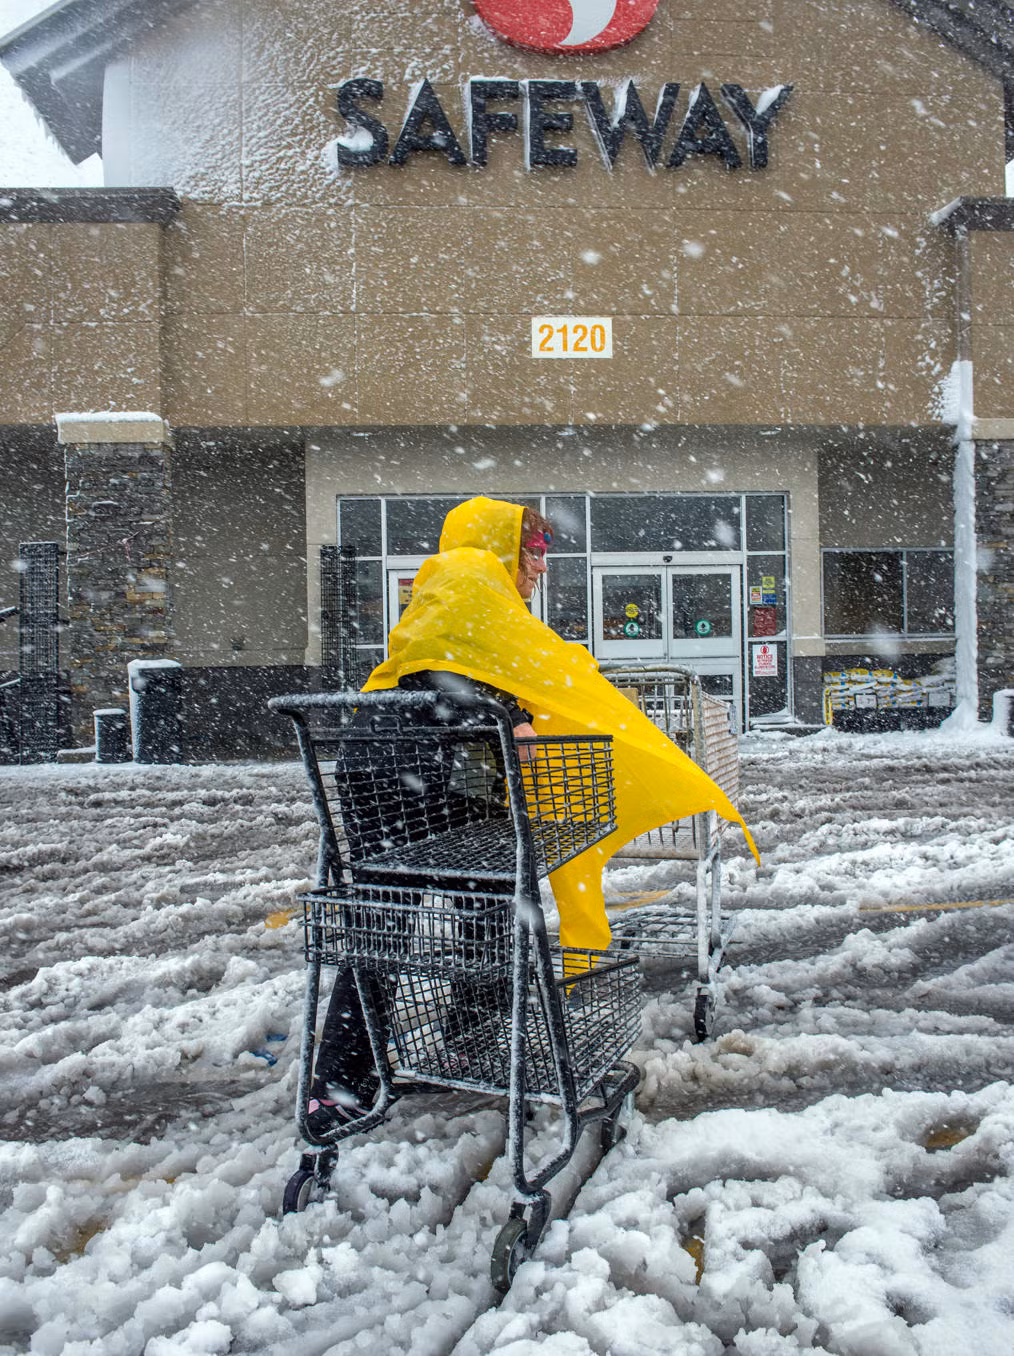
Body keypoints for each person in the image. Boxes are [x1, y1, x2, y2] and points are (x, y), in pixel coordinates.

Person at [307, 496, 757, 1133]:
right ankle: (438, 1050)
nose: (541, 566)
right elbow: (445, 670)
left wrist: (520, 698)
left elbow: (471, 660)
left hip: (394, 761)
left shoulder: (456, 592)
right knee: (462, 915)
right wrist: (513, 714)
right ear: (499, 547)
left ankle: (352, 1077)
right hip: (423, 767)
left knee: (407, 920)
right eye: (534, 551)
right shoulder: (469, 576)